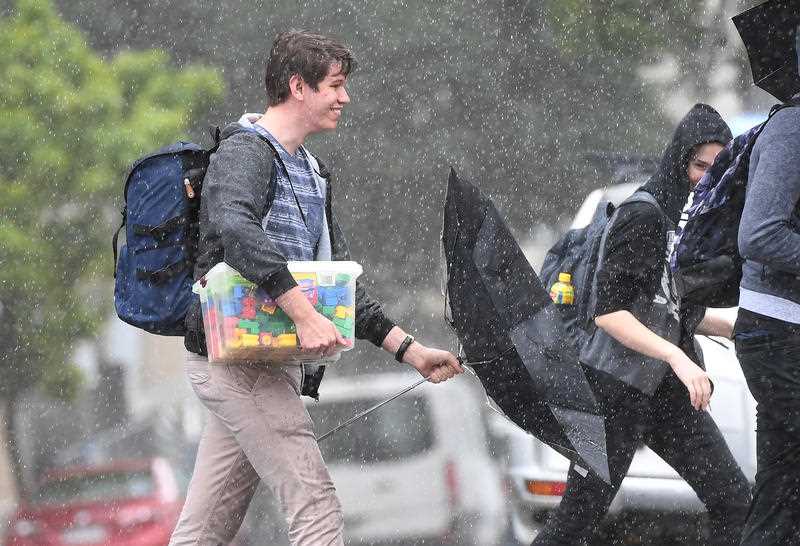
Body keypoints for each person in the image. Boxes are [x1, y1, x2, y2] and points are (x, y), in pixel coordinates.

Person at [170, 31, 463, 546]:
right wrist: (303, 314)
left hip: (267, 366)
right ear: (297, 87)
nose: (345, 98)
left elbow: (339, 287)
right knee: (315, 502)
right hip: (238, 367)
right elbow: (235, 229)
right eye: (335, 85)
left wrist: (409, 350)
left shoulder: (311, 173)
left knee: (204, 531)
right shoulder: (246, 152)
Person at [532, 104, 751, 546]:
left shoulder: (686, 223)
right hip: (613, 389)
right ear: (679, 161)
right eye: (697, 165)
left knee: (734, 502)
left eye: (717, 169)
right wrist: (678, 358)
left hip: (664, 391)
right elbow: (609, 313)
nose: (704, 178)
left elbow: (668, 308)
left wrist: (739, 327)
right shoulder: (643, 216)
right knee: (577, 521)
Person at [734, 93, 800, 546]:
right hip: (776, 332)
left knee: (781, 490)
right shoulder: (792, 128)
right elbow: (757, 234)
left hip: (783, 332)